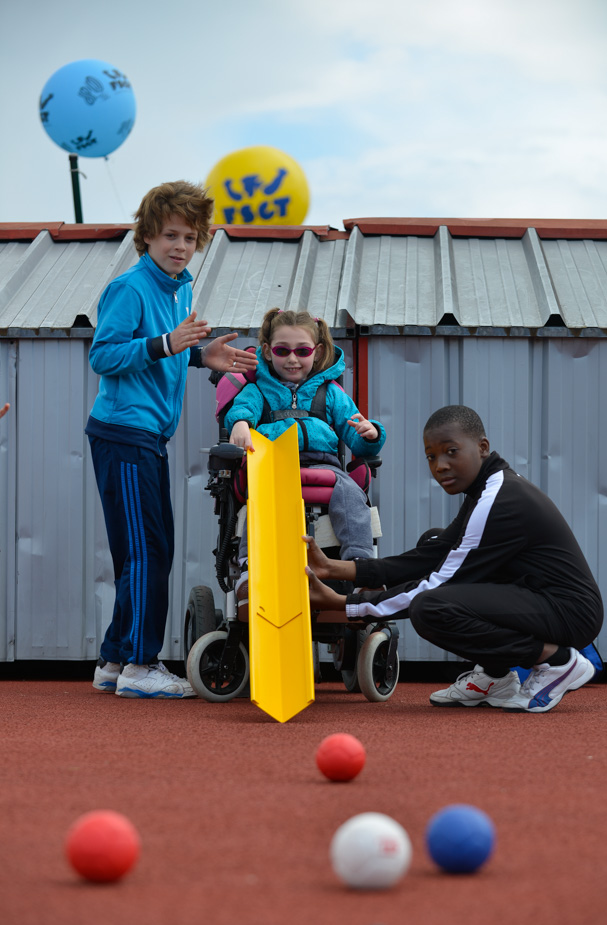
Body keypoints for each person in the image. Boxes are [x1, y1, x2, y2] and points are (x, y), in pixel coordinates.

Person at [305, 404, 604, 714]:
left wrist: (346, 604)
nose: (441, 466)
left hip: (569, 612)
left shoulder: (497, 500)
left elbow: (434, 584)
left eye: (451, 452)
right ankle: (496, 676)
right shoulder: (488, 487)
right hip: (542, 598)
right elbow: (430, 557)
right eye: (432, 457)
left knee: (430, 607)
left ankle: (558, 662)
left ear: (482, 447)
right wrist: (334, 567)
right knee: (434, 541)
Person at [85, 180, 257, 699]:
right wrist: (168, 343)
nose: (181, 246)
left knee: (143, 551)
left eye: (190, 237)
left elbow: (166, 350)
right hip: (124, 433)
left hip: (147, 437)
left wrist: (199, 355)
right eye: (170, 236)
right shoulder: (130, 287)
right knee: (148, 552)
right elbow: (104, 355)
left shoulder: (180, 287)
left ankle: (114, 661)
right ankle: (141, 667)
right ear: (147, 238)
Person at [225, 307, 386, 594]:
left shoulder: (331, 392)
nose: (292, 359)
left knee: (352, 495)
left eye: (302, 351)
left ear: (318, 351)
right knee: (259, 497)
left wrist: (370, 434)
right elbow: (242, 409)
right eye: (282, 350)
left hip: (326, 467)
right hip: (273, 466)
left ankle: (361, 567)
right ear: (267, 350)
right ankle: (251, 567)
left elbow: (356, 438)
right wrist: (239, 424)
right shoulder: (258, 391)